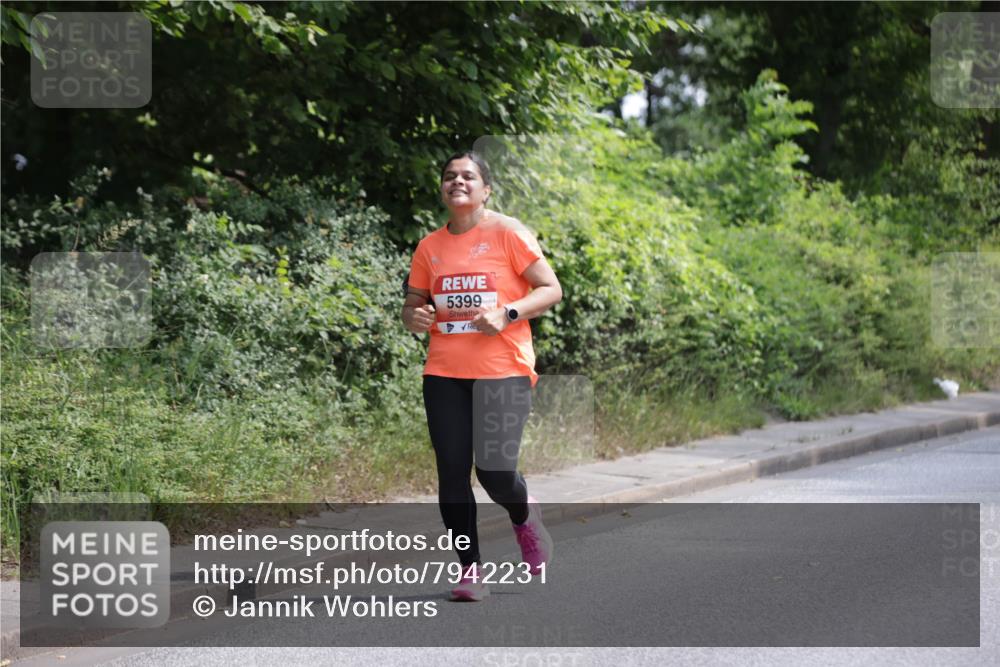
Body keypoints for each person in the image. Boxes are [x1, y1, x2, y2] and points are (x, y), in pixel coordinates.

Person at [401, 151, 562, 602]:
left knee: (494, 473)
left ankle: (524, 514)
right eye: (450, 175)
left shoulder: (507, 232)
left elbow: (551, 288)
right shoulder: (429, 247)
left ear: (485, 189)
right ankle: (470, 570)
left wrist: (507, 312)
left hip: (502, 370)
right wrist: (414, 317)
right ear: (442, 188)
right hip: (444, 372)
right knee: (452, 473)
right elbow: (411, 306)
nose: (458, 181)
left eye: (468, 176)